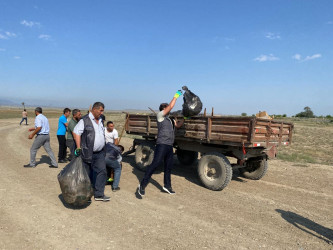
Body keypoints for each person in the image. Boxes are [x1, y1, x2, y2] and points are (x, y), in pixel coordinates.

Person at [138, 90, 184, 197]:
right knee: (155, 164)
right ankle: (142, 185)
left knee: (168, 167)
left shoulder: (170, 120)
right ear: (163, 109)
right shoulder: (160, 116)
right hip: (162, 144)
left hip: (169, 145)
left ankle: (167, 186)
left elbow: (178, 125)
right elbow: (171, 106)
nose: (168, 108)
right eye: (166, 107)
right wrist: (176, 96)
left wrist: (185, 119)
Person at [73, 102, 110, 202]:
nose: (102, 112)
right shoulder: (84, 120)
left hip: (100, 152)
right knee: (86, 174)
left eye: (102, 110)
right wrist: (78, 147)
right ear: (94, 109)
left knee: (102, 171)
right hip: (87, 152)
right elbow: (77, 133)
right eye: (101, 110)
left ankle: (99, 194)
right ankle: (86, 195)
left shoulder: (101, 120)